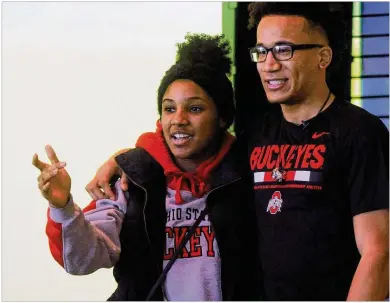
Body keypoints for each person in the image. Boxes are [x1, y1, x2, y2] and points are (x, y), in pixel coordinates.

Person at [86, 3, 389, 301]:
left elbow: (379, 252)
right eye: (261, 51)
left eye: (284, 50)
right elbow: (188, 151)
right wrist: (125, 159)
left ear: (323, 56)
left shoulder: (360, 132)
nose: (269, 64)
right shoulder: (254, 135)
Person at [32, 33, 261, 301]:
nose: (179, 120)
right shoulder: (132, 178)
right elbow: (82, 260)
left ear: (223, 118)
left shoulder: (249, 176)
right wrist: (63, 207)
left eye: (195, 109)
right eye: (169, 109)